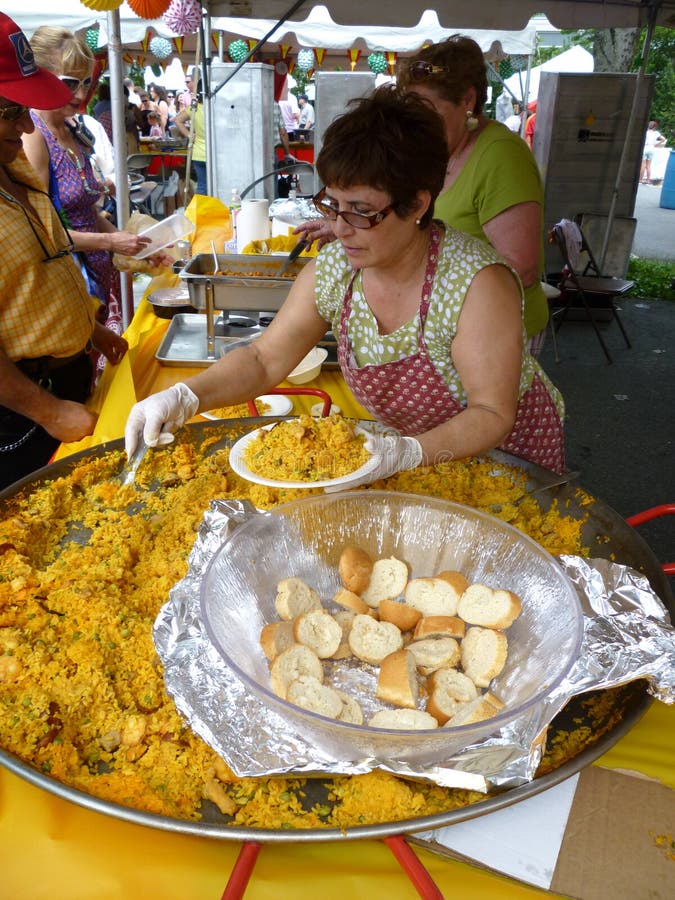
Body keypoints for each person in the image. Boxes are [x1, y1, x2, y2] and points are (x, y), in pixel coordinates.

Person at [125, 86, 566, 482]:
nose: (339, 228)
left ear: (417, 203)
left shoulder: (477, 284)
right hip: (416, 459)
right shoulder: (337, 271)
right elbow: (262, 360)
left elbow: (490, 413)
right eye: (332, 205)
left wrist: (409, 452)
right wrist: (184, 396)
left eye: (360, 210)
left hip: (504, 464)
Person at [298, 36, 550, 356]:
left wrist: (444, 290)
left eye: (426, 107)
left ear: (468, 100)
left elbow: (521, 267)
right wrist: (355, 222)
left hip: (495, 332)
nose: (416, 119)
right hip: (436, 325)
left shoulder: (501, 155)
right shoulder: (436, 152)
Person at [0, 12, 128, 489]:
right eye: (12, 112)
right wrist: (48, 410)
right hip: (25, 406)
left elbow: (43, 265)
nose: (27, 128)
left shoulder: (17, 172)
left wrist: (90, 330)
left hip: (63, 381)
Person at [22, 26, 159, 339]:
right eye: (70, 83)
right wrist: (112, 242)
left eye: (85, 82)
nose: (81, 94)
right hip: (69, 288)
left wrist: (131, 244)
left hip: (97, 282)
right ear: (41, 76)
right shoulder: (33, 137)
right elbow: (43, 232)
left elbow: (87, 212)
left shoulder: (74, 130)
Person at [174, 82, 206, 196]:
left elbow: (177, 120)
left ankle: (201, 213)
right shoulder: (216, 107)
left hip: (198, 153)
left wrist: (189, 134)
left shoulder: (194, 107)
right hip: (215, 154)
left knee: (202, 186)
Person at [640, 120, 667, 184]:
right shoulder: (656, 133)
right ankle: (648, 180)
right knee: (649, 165)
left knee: (643, 165)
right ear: (654, 127)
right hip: (652, 149)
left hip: (645, 148)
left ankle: (640, 179)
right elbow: (663, 139)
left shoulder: (646, 132)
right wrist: (656, 144)